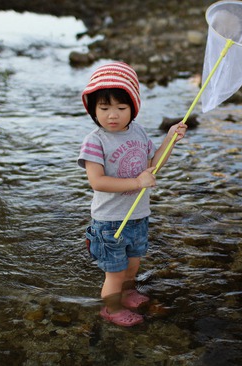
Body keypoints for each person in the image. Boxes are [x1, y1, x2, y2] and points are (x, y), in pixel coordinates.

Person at [78, 62, 187, 327]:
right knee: (114, 274)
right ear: (93, 108)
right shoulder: (96, 140)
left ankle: (127, 293)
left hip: (138, 217)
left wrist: (169, 139)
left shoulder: (138, 132)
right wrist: (137, 182)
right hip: (109, 221)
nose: (112, 115)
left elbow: (154, 165)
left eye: (121, 108)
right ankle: (111, 309)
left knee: (133, 265)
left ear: (133, 108)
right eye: (104, 108)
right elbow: (97, 181)